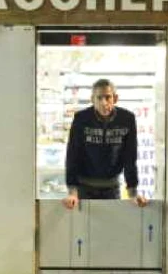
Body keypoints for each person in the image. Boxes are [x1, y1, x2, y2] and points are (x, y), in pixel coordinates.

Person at [63, 78, 148, 209]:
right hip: (84, 187)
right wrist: (72, 191)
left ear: (115, 98)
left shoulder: (127, 119)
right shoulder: (81, 119)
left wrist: (133, 192)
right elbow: (72, 155)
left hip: (112, 187)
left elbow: (130, 157)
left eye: (108, 97)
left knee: (110, 226)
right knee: (85, 228)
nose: (104, 102)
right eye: (99, 98)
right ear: (92, 99)